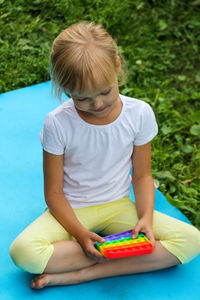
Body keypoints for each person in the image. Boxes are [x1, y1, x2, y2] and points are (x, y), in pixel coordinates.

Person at [10, 22, 200, 289]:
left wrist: (145, 216)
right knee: (23, 253)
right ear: (66, 90)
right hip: (73, 211)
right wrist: (78, 234)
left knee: (191, 240)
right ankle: (119, 259)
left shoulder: (139, 114)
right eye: (82, 99)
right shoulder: (57, 123)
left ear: (117, 67)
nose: (97, 104)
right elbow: (53, 193)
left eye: (105, 91)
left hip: (118, 207)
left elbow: (143, 176)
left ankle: (81, 274)